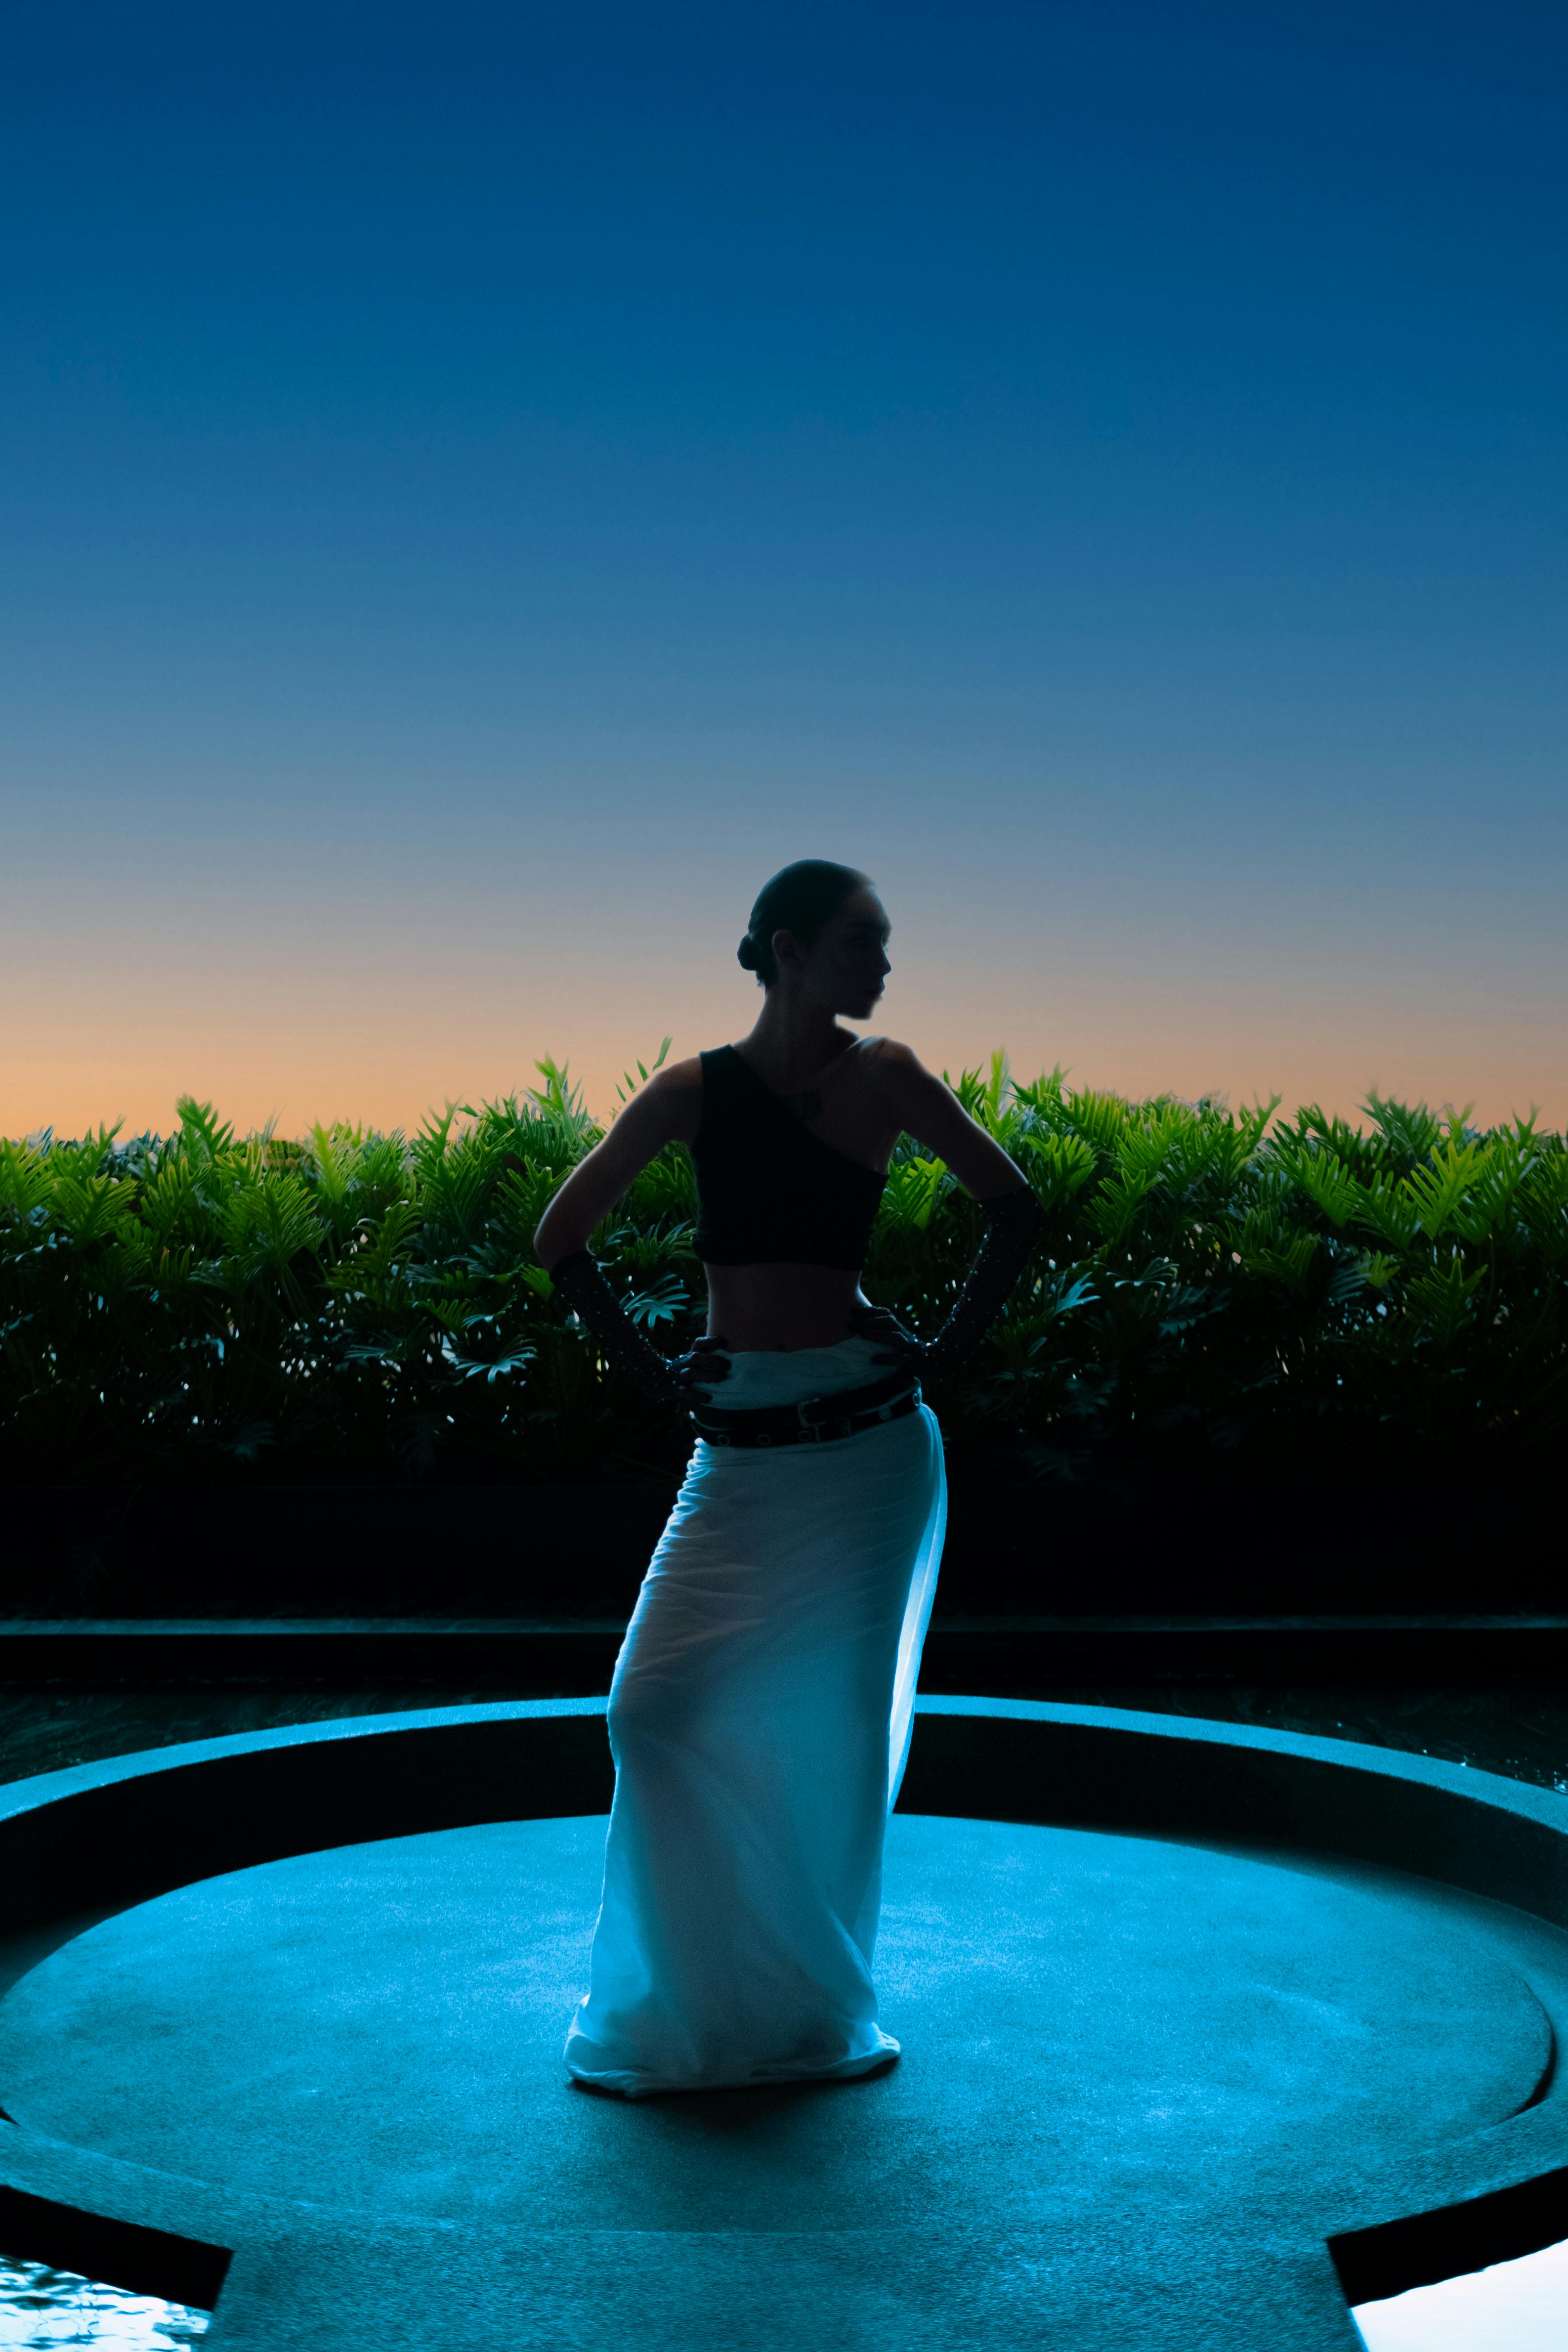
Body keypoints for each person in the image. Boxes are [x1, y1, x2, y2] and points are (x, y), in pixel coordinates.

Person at [534, 859, 1041, 2097]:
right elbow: (561, 1236)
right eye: (862, 940)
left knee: (836, 1740)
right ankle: (692, 2006)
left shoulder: (886, 1076)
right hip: (740, 1458)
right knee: (652, 1709)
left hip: (869, 1457)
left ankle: (809, 2014)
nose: (884, 964)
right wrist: (655, 1374)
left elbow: (1014, 1208)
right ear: (787, 948)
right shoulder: (693, 1090)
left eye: (885, 943)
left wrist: (942, 1352)